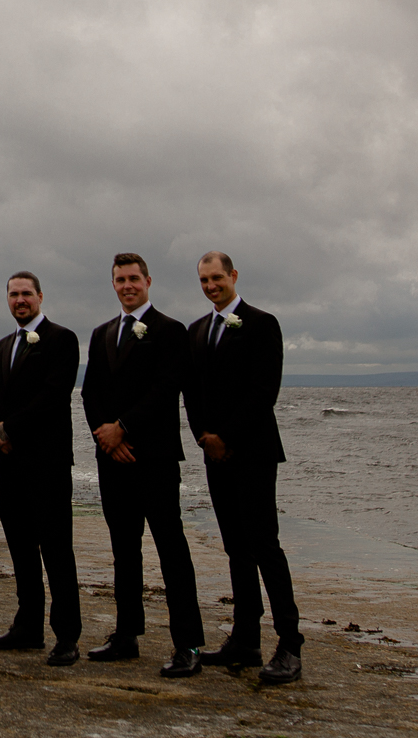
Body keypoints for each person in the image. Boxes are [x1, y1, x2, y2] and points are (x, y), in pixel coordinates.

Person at [79, 252, 205, 679]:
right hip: (113, 460)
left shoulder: (171, 331)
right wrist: (105, 436)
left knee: (172, 549)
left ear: (148, 281)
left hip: (154, 457)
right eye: (120, 279)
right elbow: (89, 391)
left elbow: (167, 389)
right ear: (113, 284)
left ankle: (187, 643)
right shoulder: (100, 334)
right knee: (123, 550)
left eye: (134, 278)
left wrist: (125, 429)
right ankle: (126, 634)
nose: (127, 285)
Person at [184, 251, 303, 684]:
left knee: (264, 546)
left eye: (217, 278)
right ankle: (245, 639)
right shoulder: (196, 331)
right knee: (235, 547)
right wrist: (204, 437)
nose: (211, 285)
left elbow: (263, 392)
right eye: (204, 280)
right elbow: (191, 393)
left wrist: (227, 437)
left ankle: (290, 644)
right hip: (213, 455)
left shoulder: (261, 323)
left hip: (252, 453)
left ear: (233, 276)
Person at [0, 270, 83, 666]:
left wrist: (11, 427)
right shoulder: (2, 345)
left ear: (40, 296)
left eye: (26, 294)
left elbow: (54, 396)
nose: (20, 300)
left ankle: (67, 635)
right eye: (13, 294)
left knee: (57, 549)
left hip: (47, 463)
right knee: (20, 549)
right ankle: (28, 627)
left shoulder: (61, 339)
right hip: (7, 463)